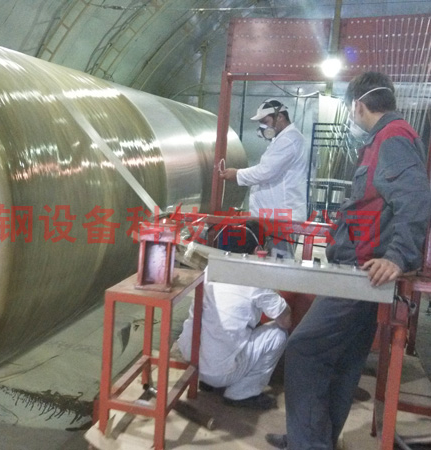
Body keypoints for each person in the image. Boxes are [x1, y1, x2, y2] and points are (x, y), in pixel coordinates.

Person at [265, 72, 431, 449]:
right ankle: (314, 437)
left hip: (364, 274)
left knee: (305, 349)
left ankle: (308, 443)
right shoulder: (385, 139)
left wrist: (398, 256)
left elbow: (416, 198)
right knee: (342, 360)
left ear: (358, 105)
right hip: (360, 270)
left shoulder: (393, 138)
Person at [177, 220, 292, 410]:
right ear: (258, 250)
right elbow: (285, 321)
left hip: (192, 363)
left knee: (218, 324)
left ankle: (207, 383)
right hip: (220, 372)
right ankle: (241, 393)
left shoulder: (211, 268)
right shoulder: (255, 277)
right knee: (278, 335)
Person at [219, 98, 310, 258]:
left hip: (280, 217)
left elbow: (265, 172)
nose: (263, 127)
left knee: (279, 262)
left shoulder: (289, 139)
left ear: (280, 117)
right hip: (273, 216)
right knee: (272, 259)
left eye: (265, 122)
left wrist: (237, 174)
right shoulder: (282, 139)